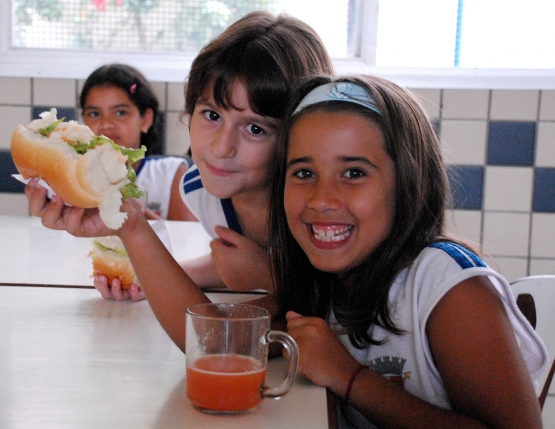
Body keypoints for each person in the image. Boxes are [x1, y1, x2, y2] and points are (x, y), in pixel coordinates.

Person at [266, 74, 548, 428]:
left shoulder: (448, 287)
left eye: (353, 172)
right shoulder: (326, 278)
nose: (322, 199)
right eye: (304, 172)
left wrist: (349, 378)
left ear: (408, 183)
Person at [25, 12, 332, 327]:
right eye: (212, 115)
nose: (221, 147)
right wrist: (148, 274)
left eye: (255, 128)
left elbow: (345, 299)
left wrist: (266, 276)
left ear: (299, 134)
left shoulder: (321, 207)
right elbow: (232, 262)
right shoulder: (204, 191)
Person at [80, 63, 195, 222]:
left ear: (145, 120)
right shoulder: (76, 176)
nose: (106, 124)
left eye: (120, 112)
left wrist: (127, 205)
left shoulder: (171, 173)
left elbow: (188, 238)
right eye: (94, 113)